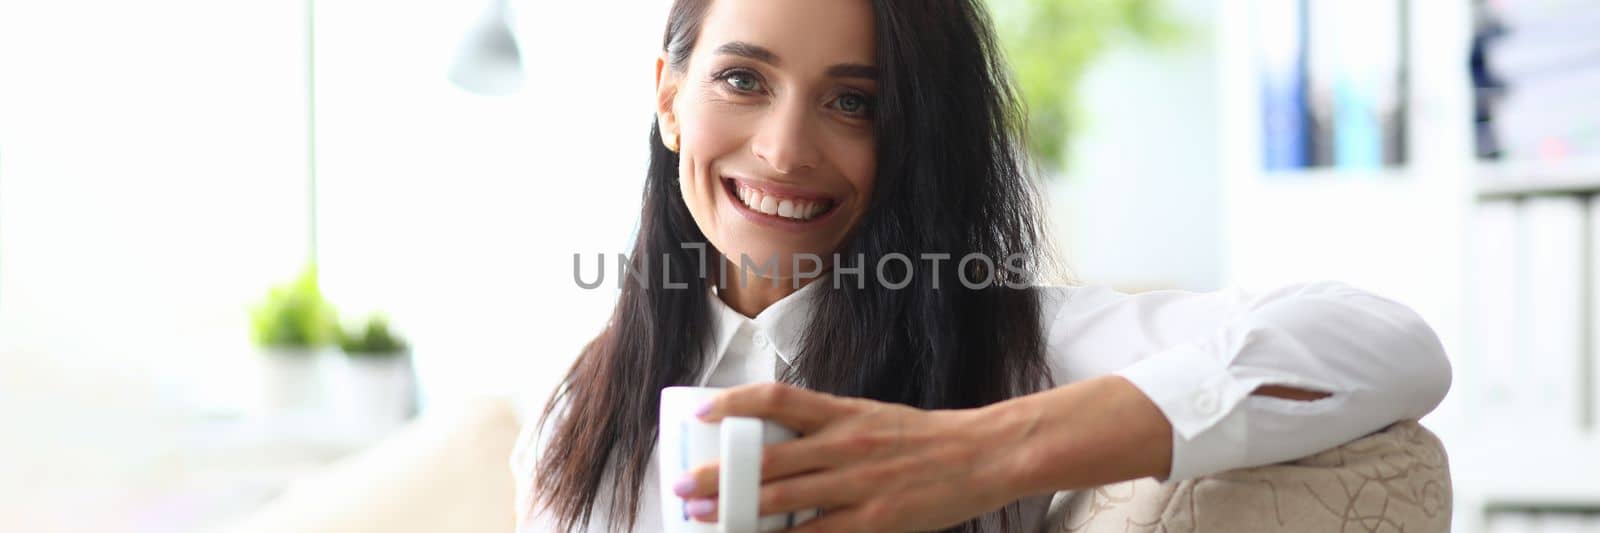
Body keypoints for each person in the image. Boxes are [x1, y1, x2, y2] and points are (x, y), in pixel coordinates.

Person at [511, 0, 1452, 531]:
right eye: (742, 80)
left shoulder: (1007, 349)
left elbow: (1387, 342)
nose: (785, 151)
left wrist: (980, 454)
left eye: (855, 104)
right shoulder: (574, 411)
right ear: (670, 97)